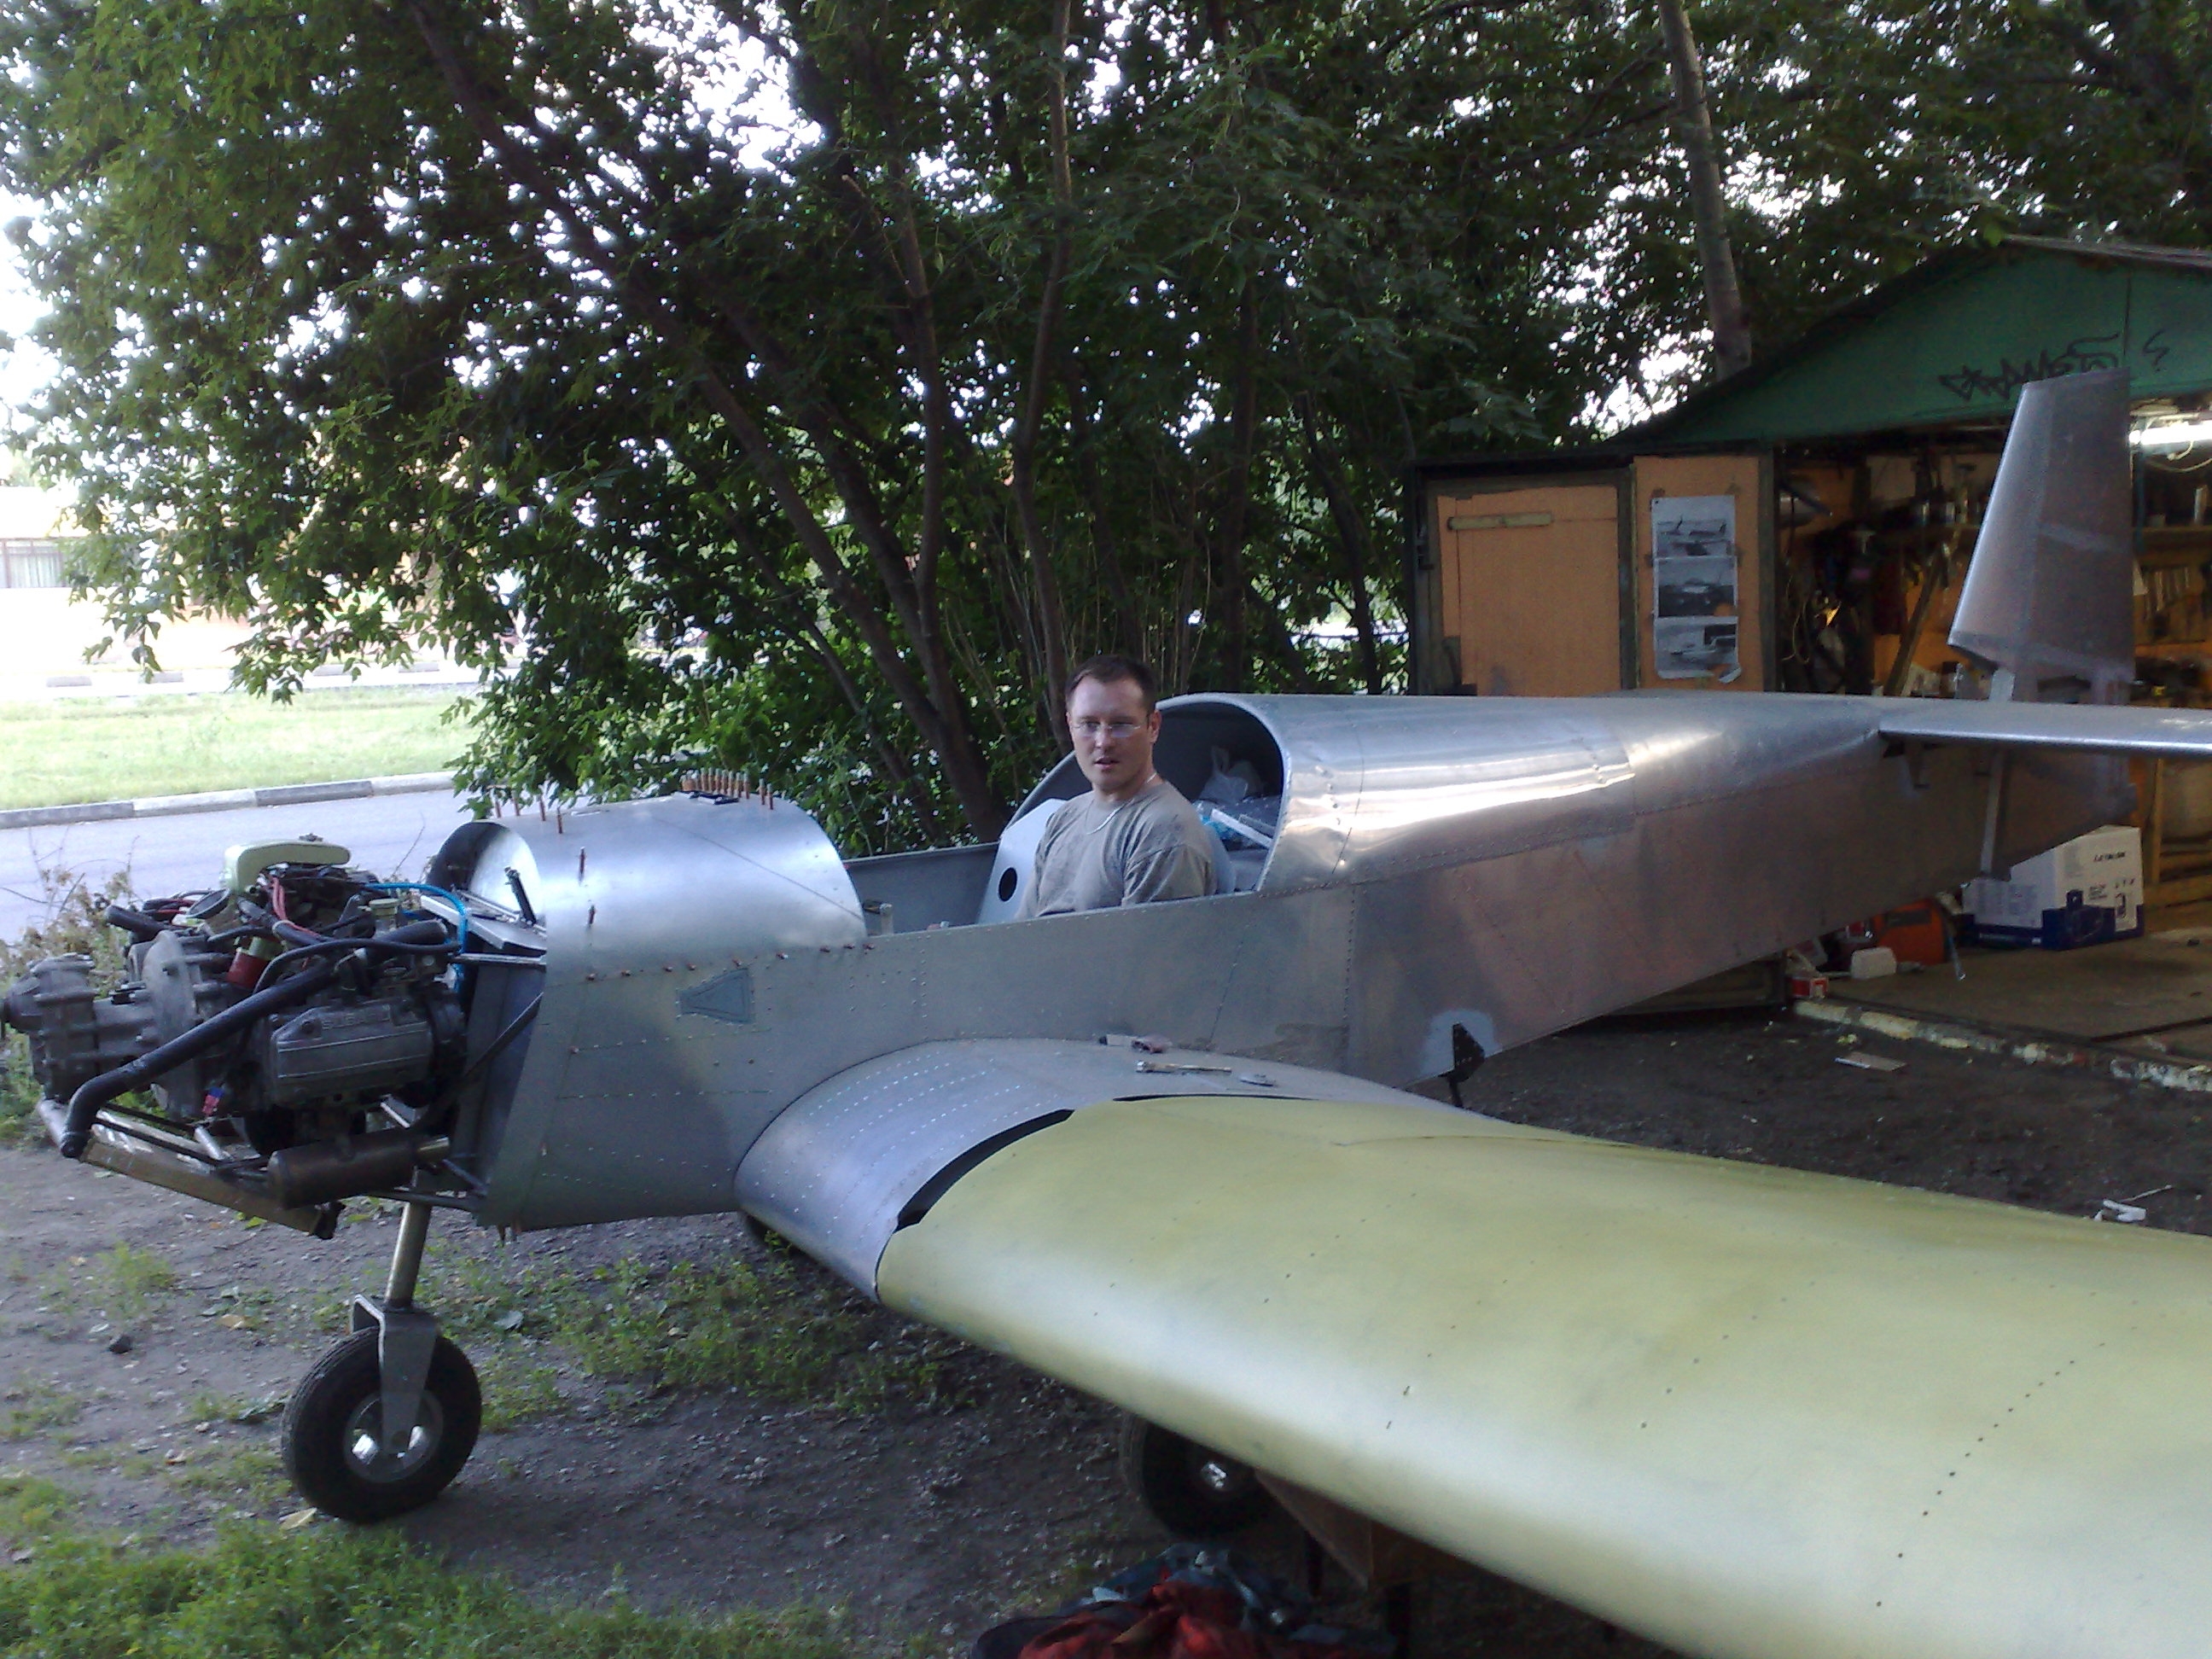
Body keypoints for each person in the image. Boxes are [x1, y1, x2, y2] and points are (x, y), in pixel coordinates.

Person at [1020, 655, 1220, 917]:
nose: (1103, 742)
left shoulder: (1165, 830)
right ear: (1070, 726)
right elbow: (1023, 929)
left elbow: (1147, 944)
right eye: (1089, 725)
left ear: (1153, 727)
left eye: (1121, 725)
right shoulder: (1065, 816)